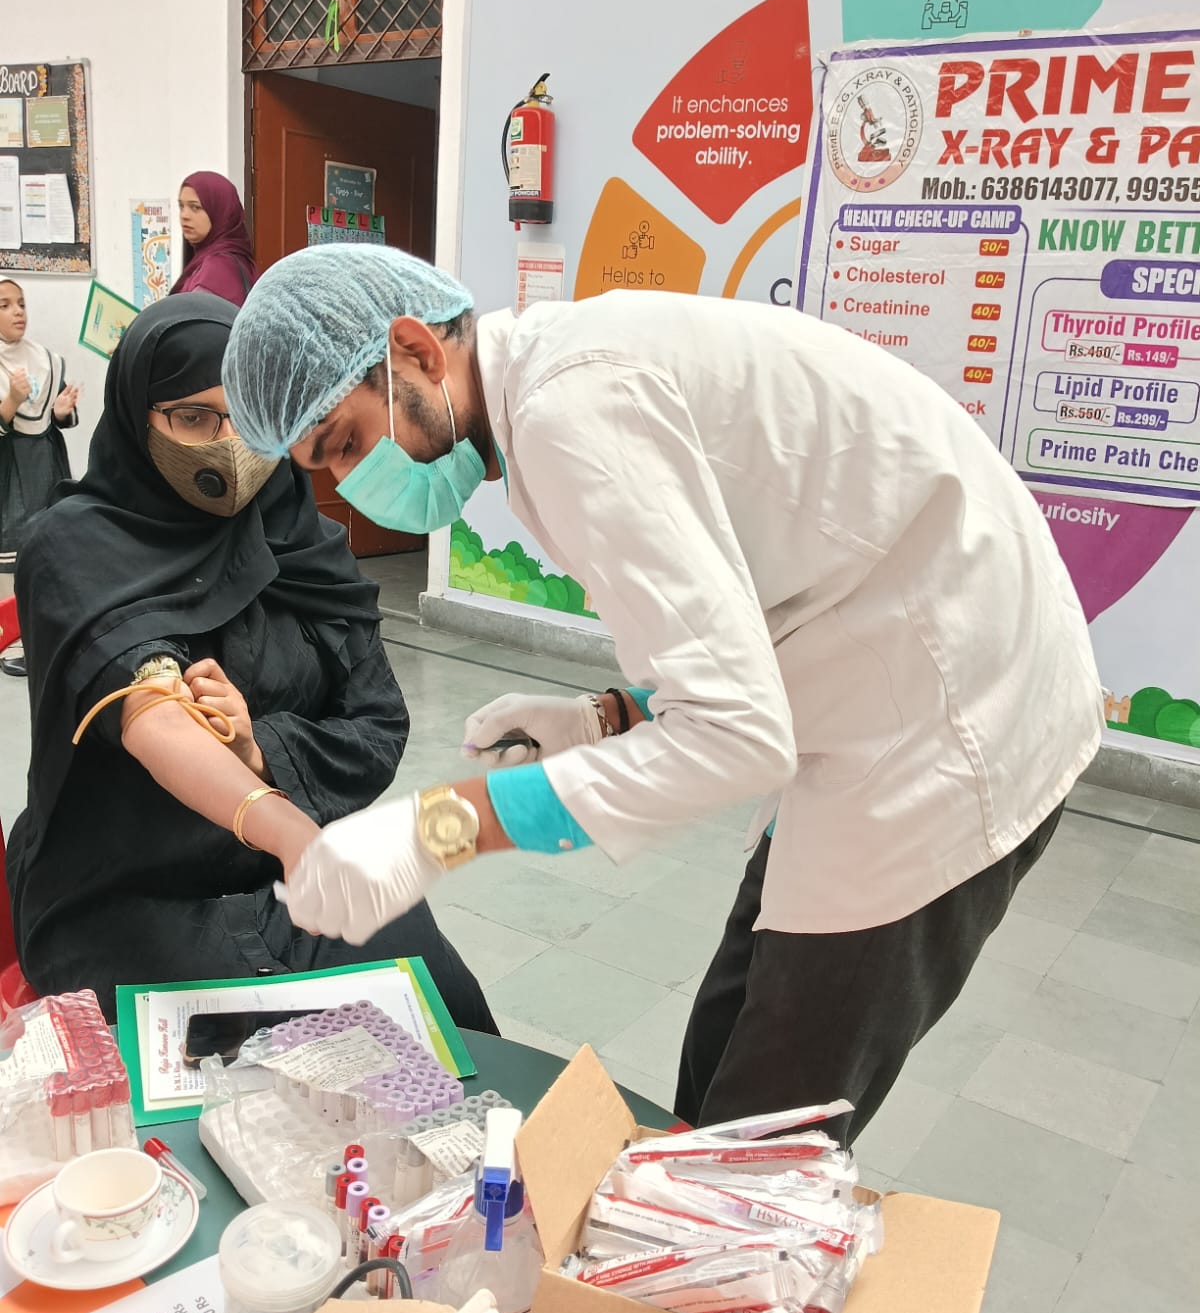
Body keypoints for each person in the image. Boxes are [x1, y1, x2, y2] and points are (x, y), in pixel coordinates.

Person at [222, 244, 1103, 1142]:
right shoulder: (552, 388)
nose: (352, 482)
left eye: (349, 442)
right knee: (719, 1060)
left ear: (413, 350)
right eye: (325, 466)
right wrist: (607, 717)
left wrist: (435, 831)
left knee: (763, 1137)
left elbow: (735, 739)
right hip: (870, 671)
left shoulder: (571, 413)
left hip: (949, 723)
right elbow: (753, 613)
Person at [6, 294, 495, 1031]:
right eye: (195, 418)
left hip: (284, 873)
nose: (230, 445)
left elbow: (377, 723)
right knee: (275, 1048)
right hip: (127, 889)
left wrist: (259, 748)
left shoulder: (306, 547)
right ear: (139, 418)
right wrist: (289, 832)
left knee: (438, 1004)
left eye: (252, 420)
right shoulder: (75, 546)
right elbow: (152, 710)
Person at [0, 278, 81, 678]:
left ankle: (45, 637)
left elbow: (56, 420)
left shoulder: (46, 359)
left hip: (46, 466)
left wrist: (62, 411)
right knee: (12, 554)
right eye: (4, 305)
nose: (18, 312)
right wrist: (11, 401)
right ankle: (11, 640)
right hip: (9, 474)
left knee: (51, 546)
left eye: (21, 303)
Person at [171, 171, 260, 308]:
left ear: (220, 212)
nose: (184, 215)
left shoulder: (218, 269)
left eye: (195, 207)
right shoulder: (223, 260)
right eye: (181, 206)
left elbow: (197, 318)